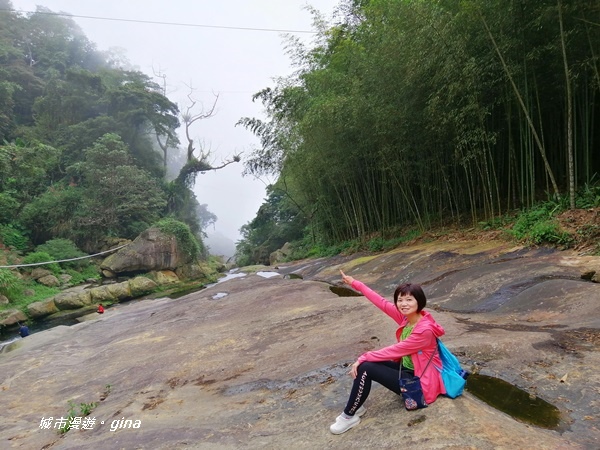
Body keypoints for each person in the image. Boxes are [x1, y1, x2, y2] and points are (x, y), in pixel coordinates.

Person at [329, 270, 446, 434]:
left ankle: (348, 416)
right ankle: (357, 405)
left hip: (419, 383)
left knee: (366, 366)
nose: (403, 304)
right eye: (400, 300)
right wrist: (355, 283)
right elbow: (381, 302)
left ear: (419, 302)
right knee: (367, 364)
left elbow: (394, 351)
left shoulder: (423, 331)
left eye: (409, 300)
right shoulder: (407, 319)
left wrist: (362, 357)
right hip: (408, 371)